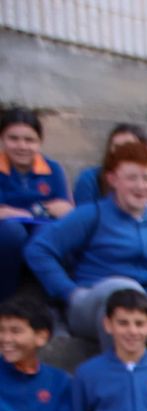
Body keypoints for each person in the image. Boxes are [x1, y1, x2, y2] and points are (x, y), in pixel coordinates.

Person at [25, 139, 147, 349]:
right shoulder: (91, 214)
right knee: (122, 290)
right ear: (112, 179)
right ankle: (116, 371)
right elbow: (38, 249)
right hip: (92, 303)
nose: (140, 186)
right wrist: (69, 291)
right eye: (131, 178)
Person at [0, 108, 73, 302]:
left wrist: (27, 211)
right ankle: (5, 299)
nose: (22, 146)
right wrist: (43, 209)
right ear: (2, 139)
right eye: (13, 138)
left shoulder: (53, 169)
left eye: (29, 140)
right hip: (7, 235)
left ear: (39, 142)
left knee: (46, 237)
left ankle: (51, 303)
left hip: (41, 230)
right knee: (12, 233)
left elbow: (65, 209)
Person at [72, 124, 147, 210]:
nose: (120, 152)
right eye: (116, 147)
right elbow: (84, 218)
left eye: (128, 147)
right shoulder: (90, 179)